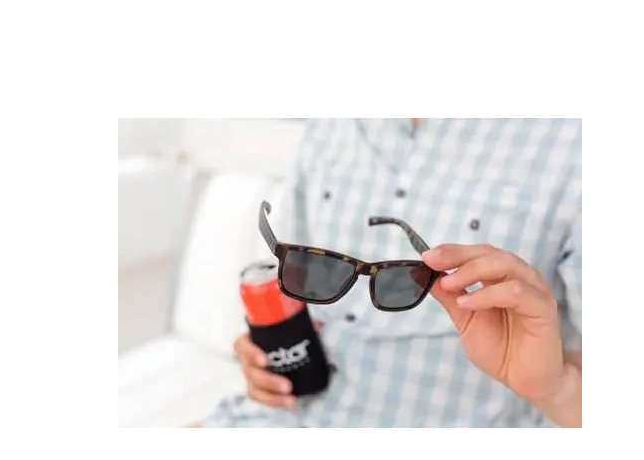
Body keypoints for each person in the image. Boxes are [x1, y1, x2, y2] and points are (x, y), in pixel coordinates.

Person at [205, 118, 581, 427]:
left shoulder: (572, 144)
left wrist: (555, 389)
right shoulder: (328, 125)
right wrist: (266, 355)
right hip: (273, 419)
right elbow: (293, 288)